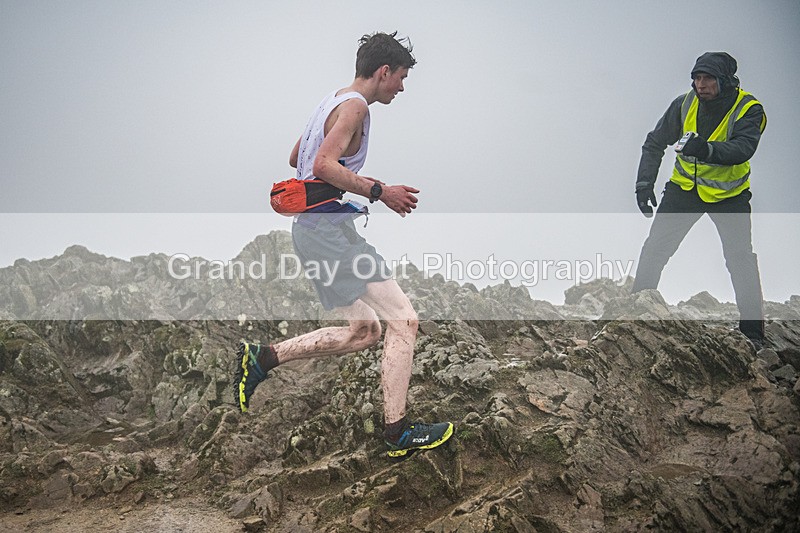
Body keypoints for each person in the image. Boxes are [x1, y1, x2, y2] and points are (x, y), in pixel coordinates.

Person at [234, 32, 453, 458]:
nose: (402, 87)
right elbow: (320, 164)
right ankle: (398, 433)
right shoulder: (353, 107)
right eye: (402, 77)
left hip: (315, 230)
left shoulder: (331, 101)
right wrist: (379, 191)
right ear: (383, 71)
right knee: (404, 321)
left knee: (365, 330)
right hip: (327, 232)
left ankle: (262, 358)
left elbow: (297, 153)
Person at [632, 52, 767, 349]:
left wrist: (704, 149)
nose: (700, 85)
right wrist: (644, 183)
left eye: (707, 79)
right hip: (684, 190)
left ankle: (754, 334)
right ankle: (634, 314)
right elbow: (655, 142)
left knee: (740, 260)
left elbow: (743, 148)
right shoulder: (683, 103)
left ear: (725, 81)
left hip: (729, 196)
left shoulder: (749, 108)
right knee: (655, 248)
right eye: (696, 78)